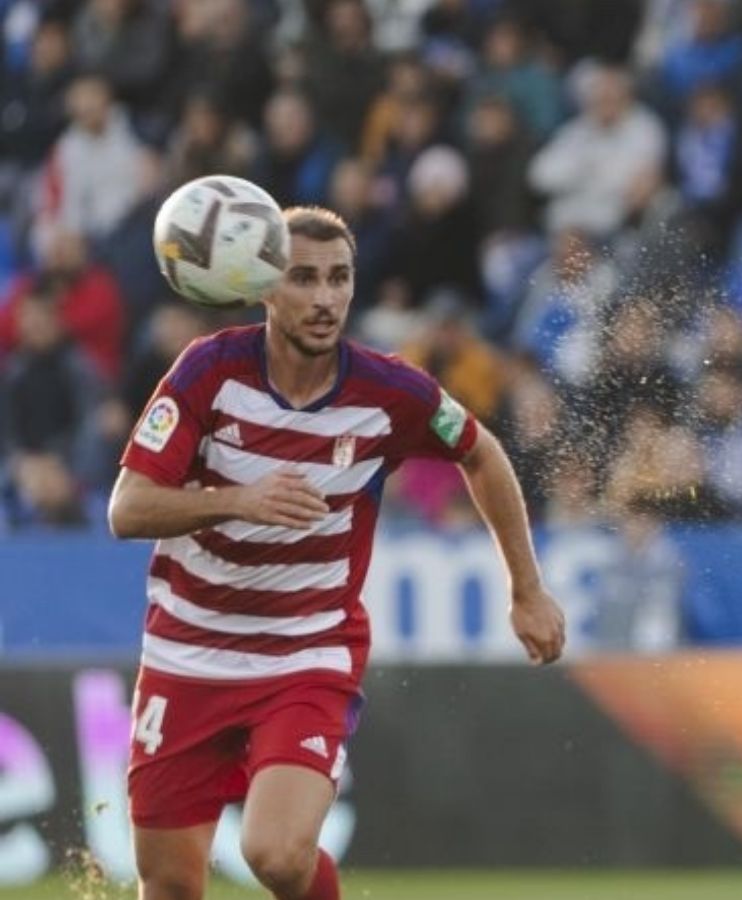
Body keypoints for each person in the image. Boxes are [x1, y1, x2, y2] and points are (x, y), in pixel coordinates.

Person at [108, 206, 567, 900]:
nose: (325, 298)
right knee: (170, 883)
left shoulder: (391, 392)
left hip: (306, 653)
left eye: (339, 278)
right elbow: (128, 507)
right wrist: (237, 499)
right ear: (264, 286)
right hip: (187, 651)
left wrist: (526, 588)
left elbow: (483, 453)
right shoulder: (208, 371)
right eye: (303, 278)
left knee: (279, 855)